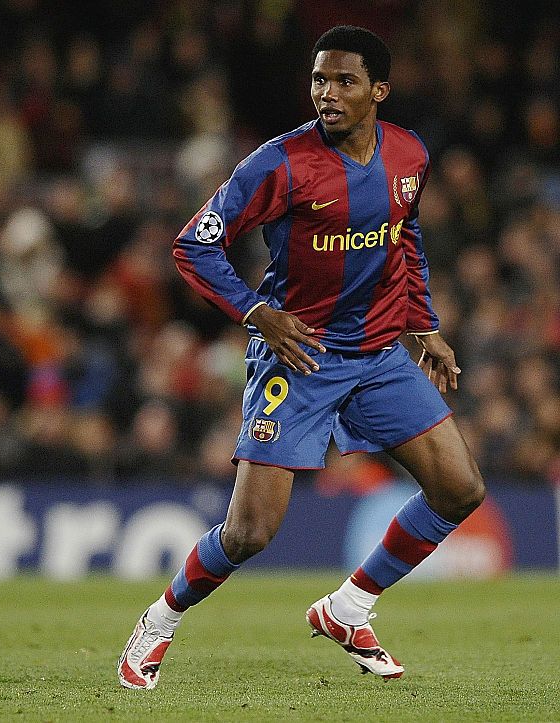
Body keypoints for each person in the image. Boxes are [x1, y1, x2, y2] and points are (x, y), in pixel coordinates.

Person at [117, 25, 485, 690]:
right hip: (302, 357)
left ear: (380, 90)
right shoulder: (278, 164)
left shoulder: (409, 155)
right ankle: (159, 619)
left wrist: (422, 324)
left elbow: (406, 236)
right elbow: (195, 244)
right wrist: (259, 313)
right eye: (319, 80)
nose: (327, 93)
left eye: (344, 81)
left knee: (460, 488)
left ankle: (349, 607)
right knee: (250, 533)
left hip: (377, 353)